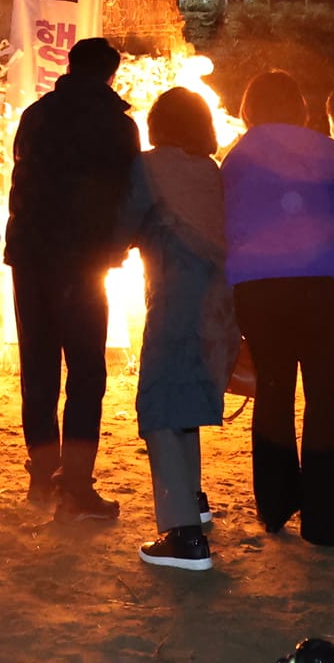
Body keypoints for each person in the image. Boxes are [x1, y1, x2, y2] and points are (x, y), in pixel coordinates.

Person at [221, 69, 334, 545]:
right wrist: (331, 252)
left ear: (249, 108)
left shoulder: (239, 155)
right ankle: (323, 524)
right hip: (326, 286)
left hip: (259, 288)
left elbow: (224, 222)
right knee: (323, 394)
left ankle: (276, 504)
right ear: (300, 107)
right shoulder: (328, 149)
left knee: (274, 388)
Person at [5, 37, 142, 522]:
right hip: (84, 262)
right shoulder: (118, 125)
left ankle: (43, 474)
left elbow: (20, 182)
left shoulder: (36, 115)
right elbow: (128, 192)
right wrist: (121, 244)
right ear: (110, 74)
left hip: (31, 258)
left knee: (38, 367)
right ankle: (77, 485)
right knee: (85, 372)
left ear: (69, 65)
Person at [117, 87, 238, 570]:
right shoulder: (210, 169)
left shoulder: (148, 167)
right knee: (187, 399)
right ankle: (194, 501)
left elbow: (121, 227)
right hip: (221, 303)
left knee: (161, 406)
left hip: (176, 301)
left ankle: (184, 536)